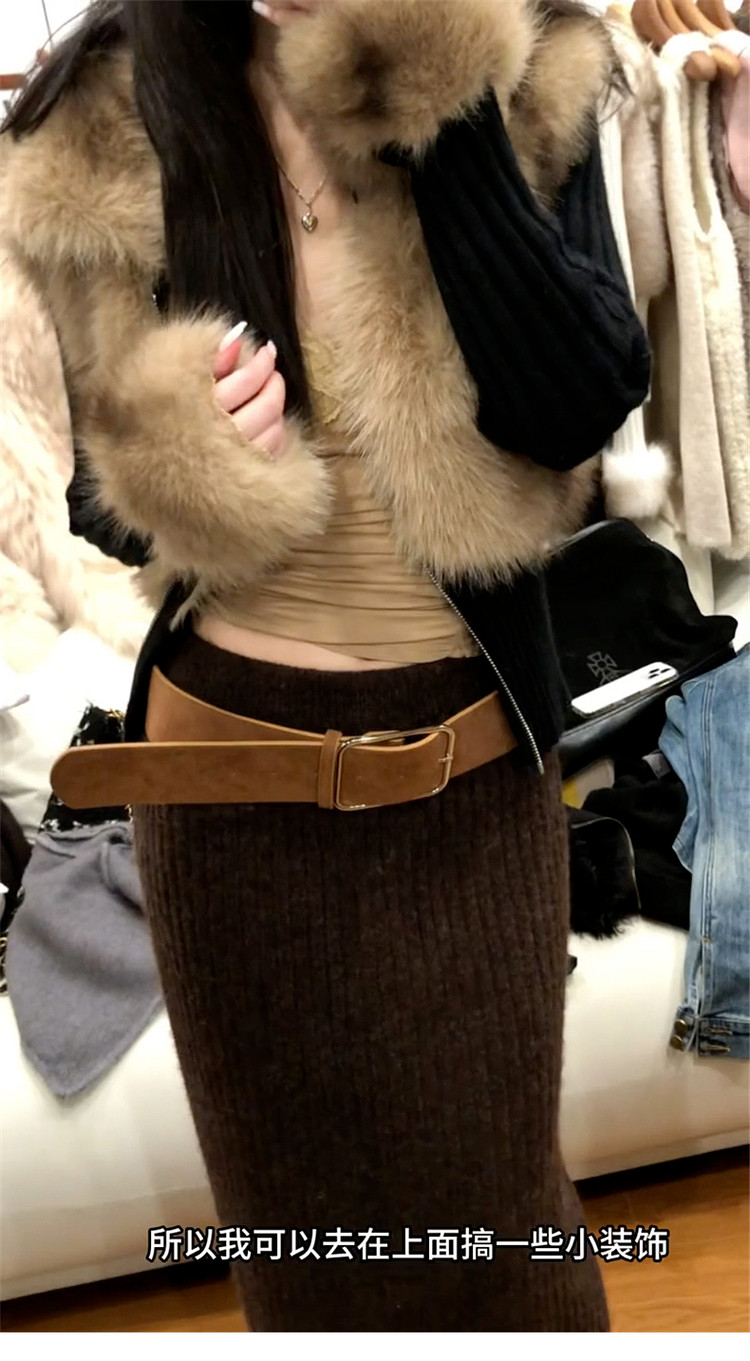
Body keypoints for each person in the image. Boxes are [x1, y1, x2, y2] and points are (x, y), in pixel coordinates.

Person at [1, 0, 647, 1332]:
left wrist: (432, 85)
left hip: (465, 784)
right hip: (225, 805)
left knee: (505, 1261)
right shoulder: (109, 112)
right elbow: (95, 505)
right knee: (306, 1274)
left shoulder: (524, 53)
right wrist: (180, 446)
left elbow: (580, 400)